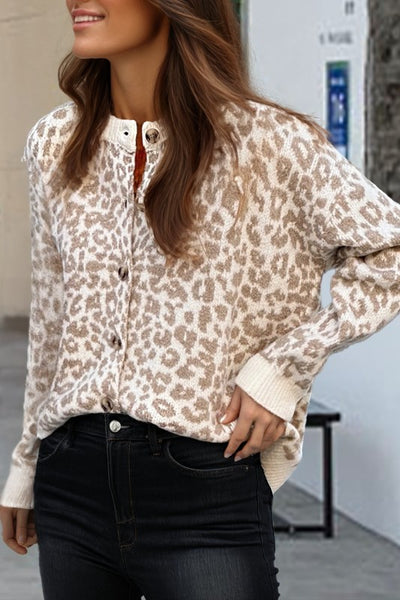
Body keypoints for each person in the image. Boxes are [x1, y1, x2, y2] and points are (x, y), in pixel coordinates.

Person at [1, 0, 400, 598]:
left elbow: (389, 248)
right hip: (72, 481)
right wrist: (27, 463)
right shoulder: (56, 143)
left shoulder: (270, 143)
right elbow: (53, 317)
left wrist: (282, 369)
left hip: (204, 488)